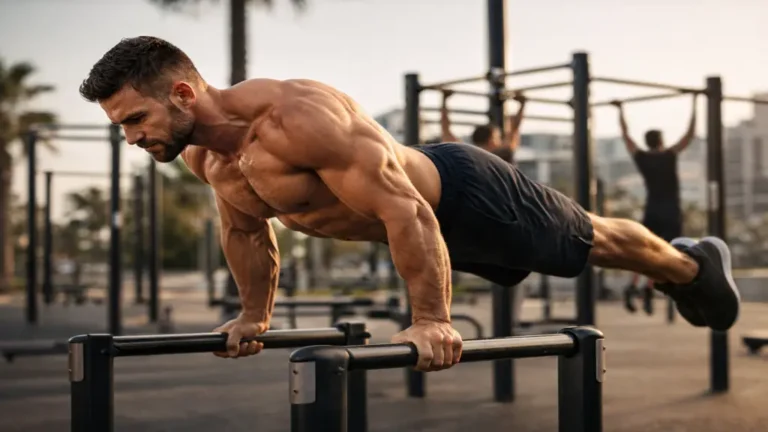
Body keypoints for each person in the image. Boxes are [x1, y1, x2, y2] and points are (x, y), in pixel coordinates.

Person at [80, 36, 740, 373]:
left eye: (136, 118)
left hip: (462, 195)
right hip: (430, 233)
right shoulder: (204, 156)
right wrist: (254, 315)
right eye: (122, 127)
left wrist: (431, 319)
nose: (133, 137)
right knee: (579, 255)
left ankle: (689, 265)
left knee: (592, 242)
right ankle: (675, 267)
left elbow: (407, 212)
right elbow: (246, 232)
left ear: (186, 94)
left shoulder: (296, 115)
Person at [611, 96, 698, 315]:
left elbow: (625, 136)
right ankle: (650, 288)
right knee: (664, 250)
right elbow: (689, 135)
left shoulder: (642, 157)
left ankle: (638, 286)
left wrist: (620, 110)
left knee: (645, 247)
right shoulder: (669, 156)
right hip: (671, 210)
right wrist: (696, 103)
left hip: (652, 209)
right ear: (661, 141)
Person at [439, 89, 527, 163]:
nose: (500, 141)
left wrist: (444, 100)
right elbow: (514, 128)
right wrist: (522, 104)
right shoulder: (501, 155)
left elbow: (446, 129)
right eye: (497, 137)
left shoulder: (466, 154)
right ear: (491, 140)